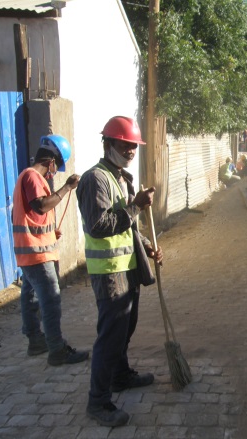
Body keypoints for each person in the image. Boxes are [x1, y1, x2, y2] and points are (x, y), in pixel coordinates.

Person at [77, 116, 163, 427]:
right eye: (125, 145)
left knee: (126, 328)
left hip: (127, 268)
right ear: (109, 143)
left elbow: (128, 227)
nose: (130, 150)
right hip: (109, 272)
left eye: (133, 146)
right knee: (111, 336)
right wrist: (137, 206)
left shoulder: (118, 178)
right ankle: (98, 401)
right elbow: (99, 226)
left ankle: (120, 375)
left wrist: (147, 246)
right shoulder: (94, 179)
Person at [12, 135, 90, 366]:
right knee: (50, 300)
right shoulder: (33, 177)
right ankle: (57, 350)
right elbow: (41, 206)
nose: (53, 173)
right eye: (56, 168)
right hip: (38, 254)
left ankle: (36, 341)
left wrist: (49, 231)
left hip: (30, 250)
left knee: (31, 297)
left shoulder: (26, 177)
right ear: (52, 161)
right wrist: (67, 187)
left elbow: (33, 215)